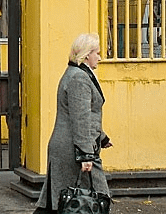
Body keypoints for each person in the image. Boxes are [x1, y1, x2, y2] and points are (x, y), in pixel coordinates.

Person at [34, 33, 112, 214]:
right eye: (97, 53)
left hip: (70, 148)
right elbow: (80, 118)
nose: (100, 58)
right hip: (73, 151)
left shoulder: (76, 74)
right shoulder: (79, 78)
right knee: (97, 198)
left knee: (61, 203)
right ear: (87, 55)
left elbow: (83, 115)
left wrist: (102, 137)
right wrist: (86, 155)